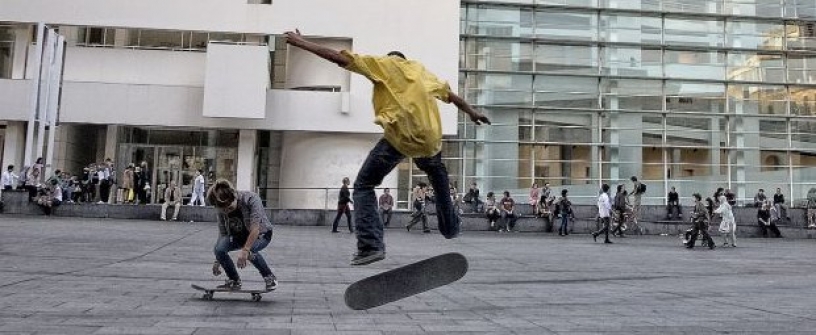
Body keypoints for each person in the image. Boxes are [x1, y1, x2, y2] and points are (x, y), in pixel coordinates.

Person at [284, 29, 490, 266]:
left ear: (392, 58)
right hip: (430, 140)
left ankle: (371, 246)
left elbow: (337, 57)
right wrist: (473, 113)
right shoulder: (420, 70)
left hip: (400, 137)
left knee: (363, 185)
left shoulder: (384, 64)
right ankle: (451, 228)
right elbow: (452, 97)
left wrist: (301, 42)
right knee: (438, 176)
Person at [207, 179, 278, 291]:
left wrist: (245, 250)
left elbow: (256, 228)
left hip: (262, 235)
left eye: (229, 208)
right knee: (218, 249)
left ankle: (270, 278)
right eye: (223, 210)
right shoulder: (221, 208)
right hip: (238, 237)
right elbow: (223, 233)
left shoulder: (251, 199)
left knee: (250, 252)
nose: (227, 212)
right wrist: (218, 259)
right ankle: (234, 280)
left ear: (234, 196)